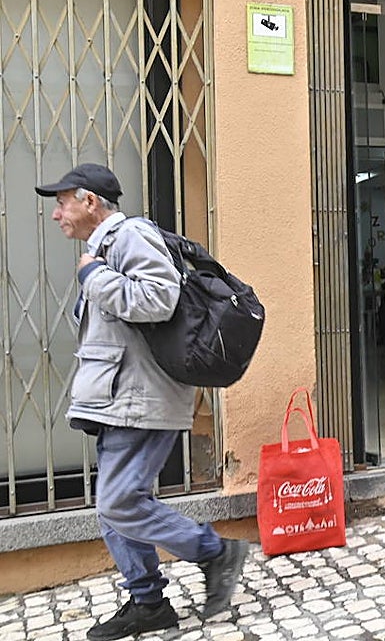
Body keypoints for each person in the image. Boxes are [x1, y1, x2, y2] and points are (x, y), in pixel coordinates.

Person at [35, 164, 249, 640]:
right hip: (118, 398)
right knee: (114, 507)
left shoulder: (130, 236)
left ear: (90, 202)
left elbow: (159, 299)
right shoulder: (106, 247)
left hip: (140, 397)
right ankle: (148, 603)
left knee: (119, 503)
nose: (56, 214)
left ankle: (215, 551)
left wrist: (94, 278)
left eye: (62, 202)